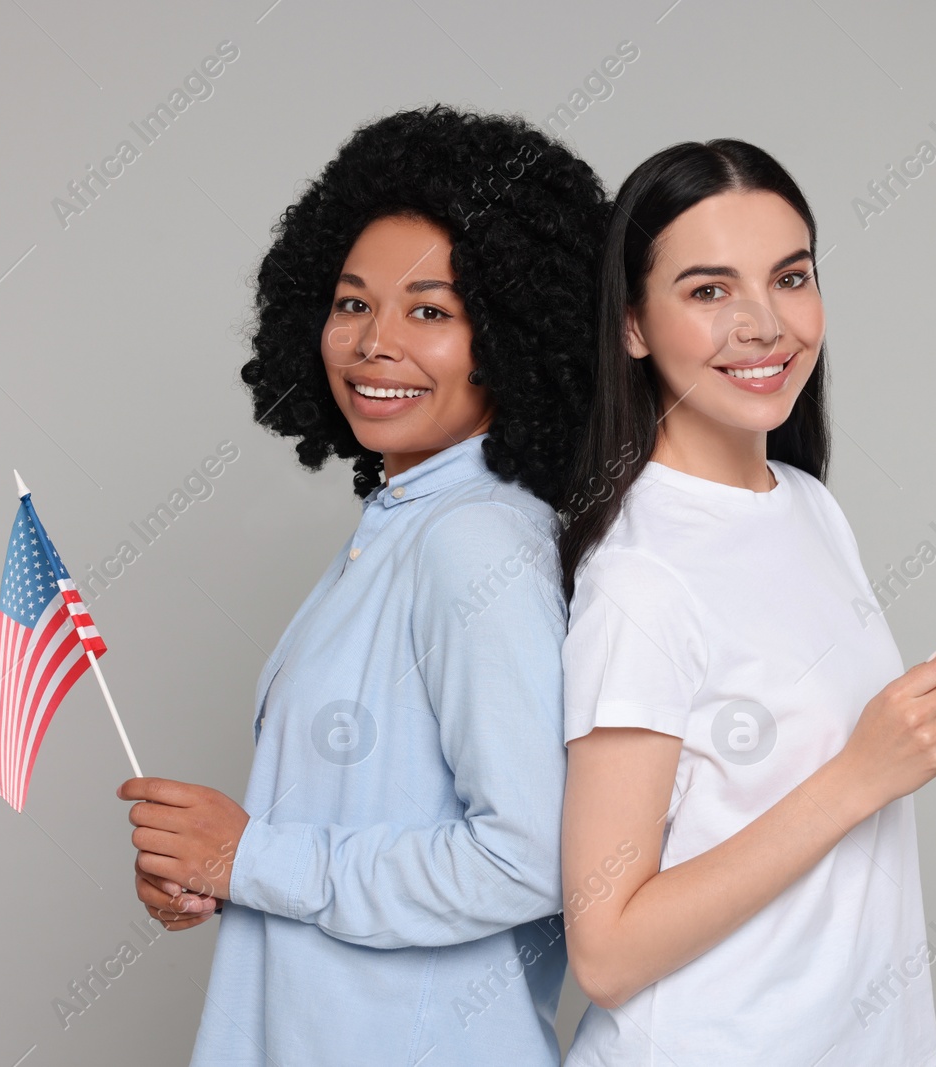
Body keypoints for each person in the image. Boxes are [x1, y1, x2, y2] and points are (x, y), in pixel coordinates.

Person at [116, 104, 610, 1066]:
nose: (375, 342)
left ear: (510, 338)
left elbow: (531, 856)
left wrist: (251, 855)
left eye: (431, 310)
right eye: (352, 303)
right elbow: (356, 825)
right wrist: (221, 876)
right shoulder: (400, 528)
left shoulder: (471, 539)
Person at [555, 138, 936, 1066]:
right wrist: (860, 775)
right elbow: (607, 949)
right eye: (709, 291)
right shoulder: (639, 577)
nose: (765, 324)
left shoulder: (810, 506)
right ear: (632, 325)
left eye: (790, 278)